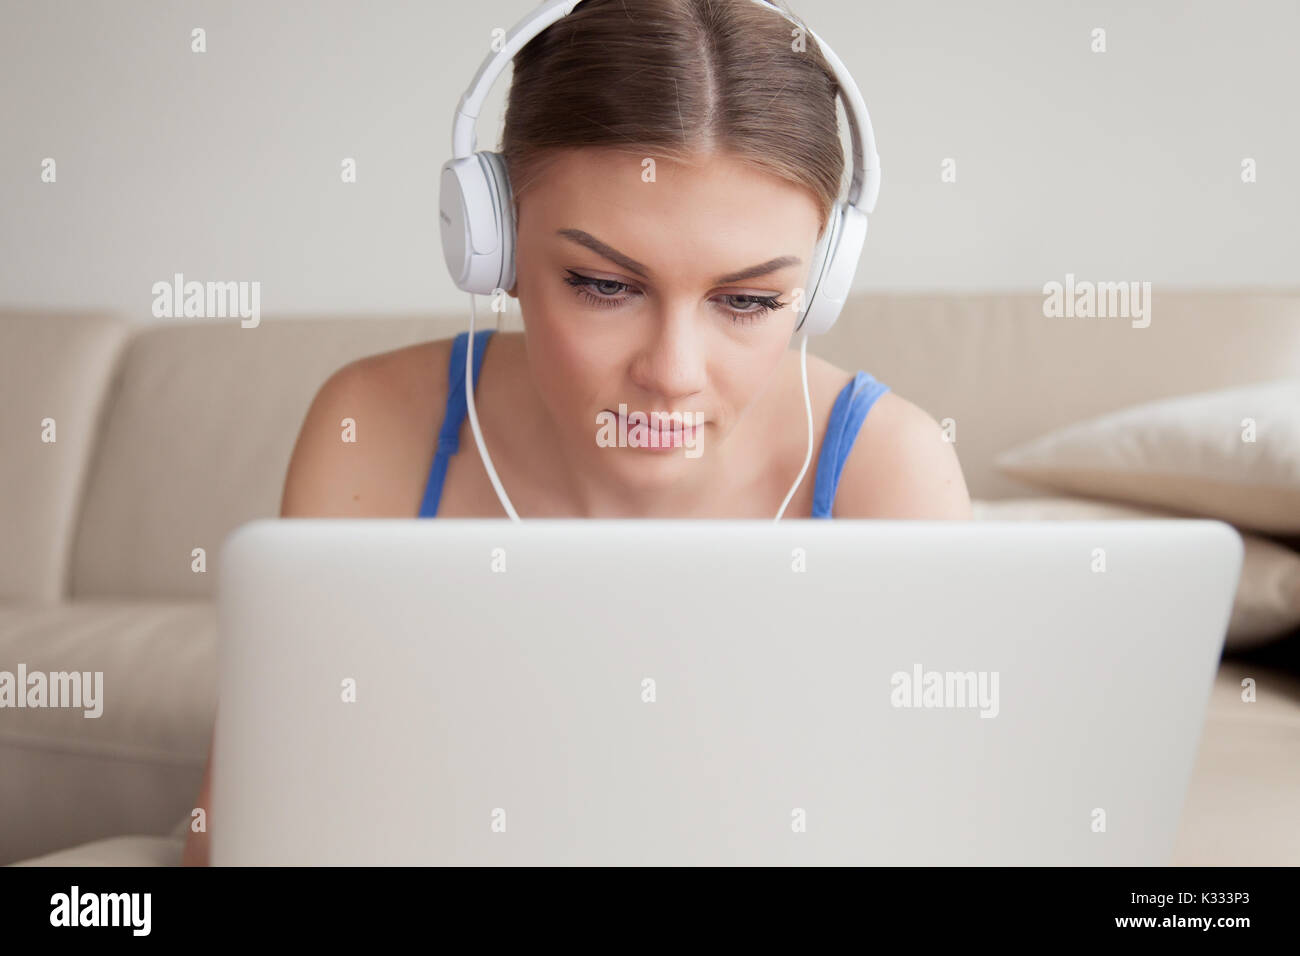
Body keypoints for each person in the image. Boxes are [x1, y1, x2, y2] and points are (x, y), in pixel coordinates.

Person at [182, 0, 970, 866]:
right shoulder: (373, 427)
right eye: (604, 285)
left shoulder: (886, 469)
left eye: (747, 301)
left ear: (819, 288)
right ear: (495, 246)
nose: (672, 372)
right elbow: (239, 837)